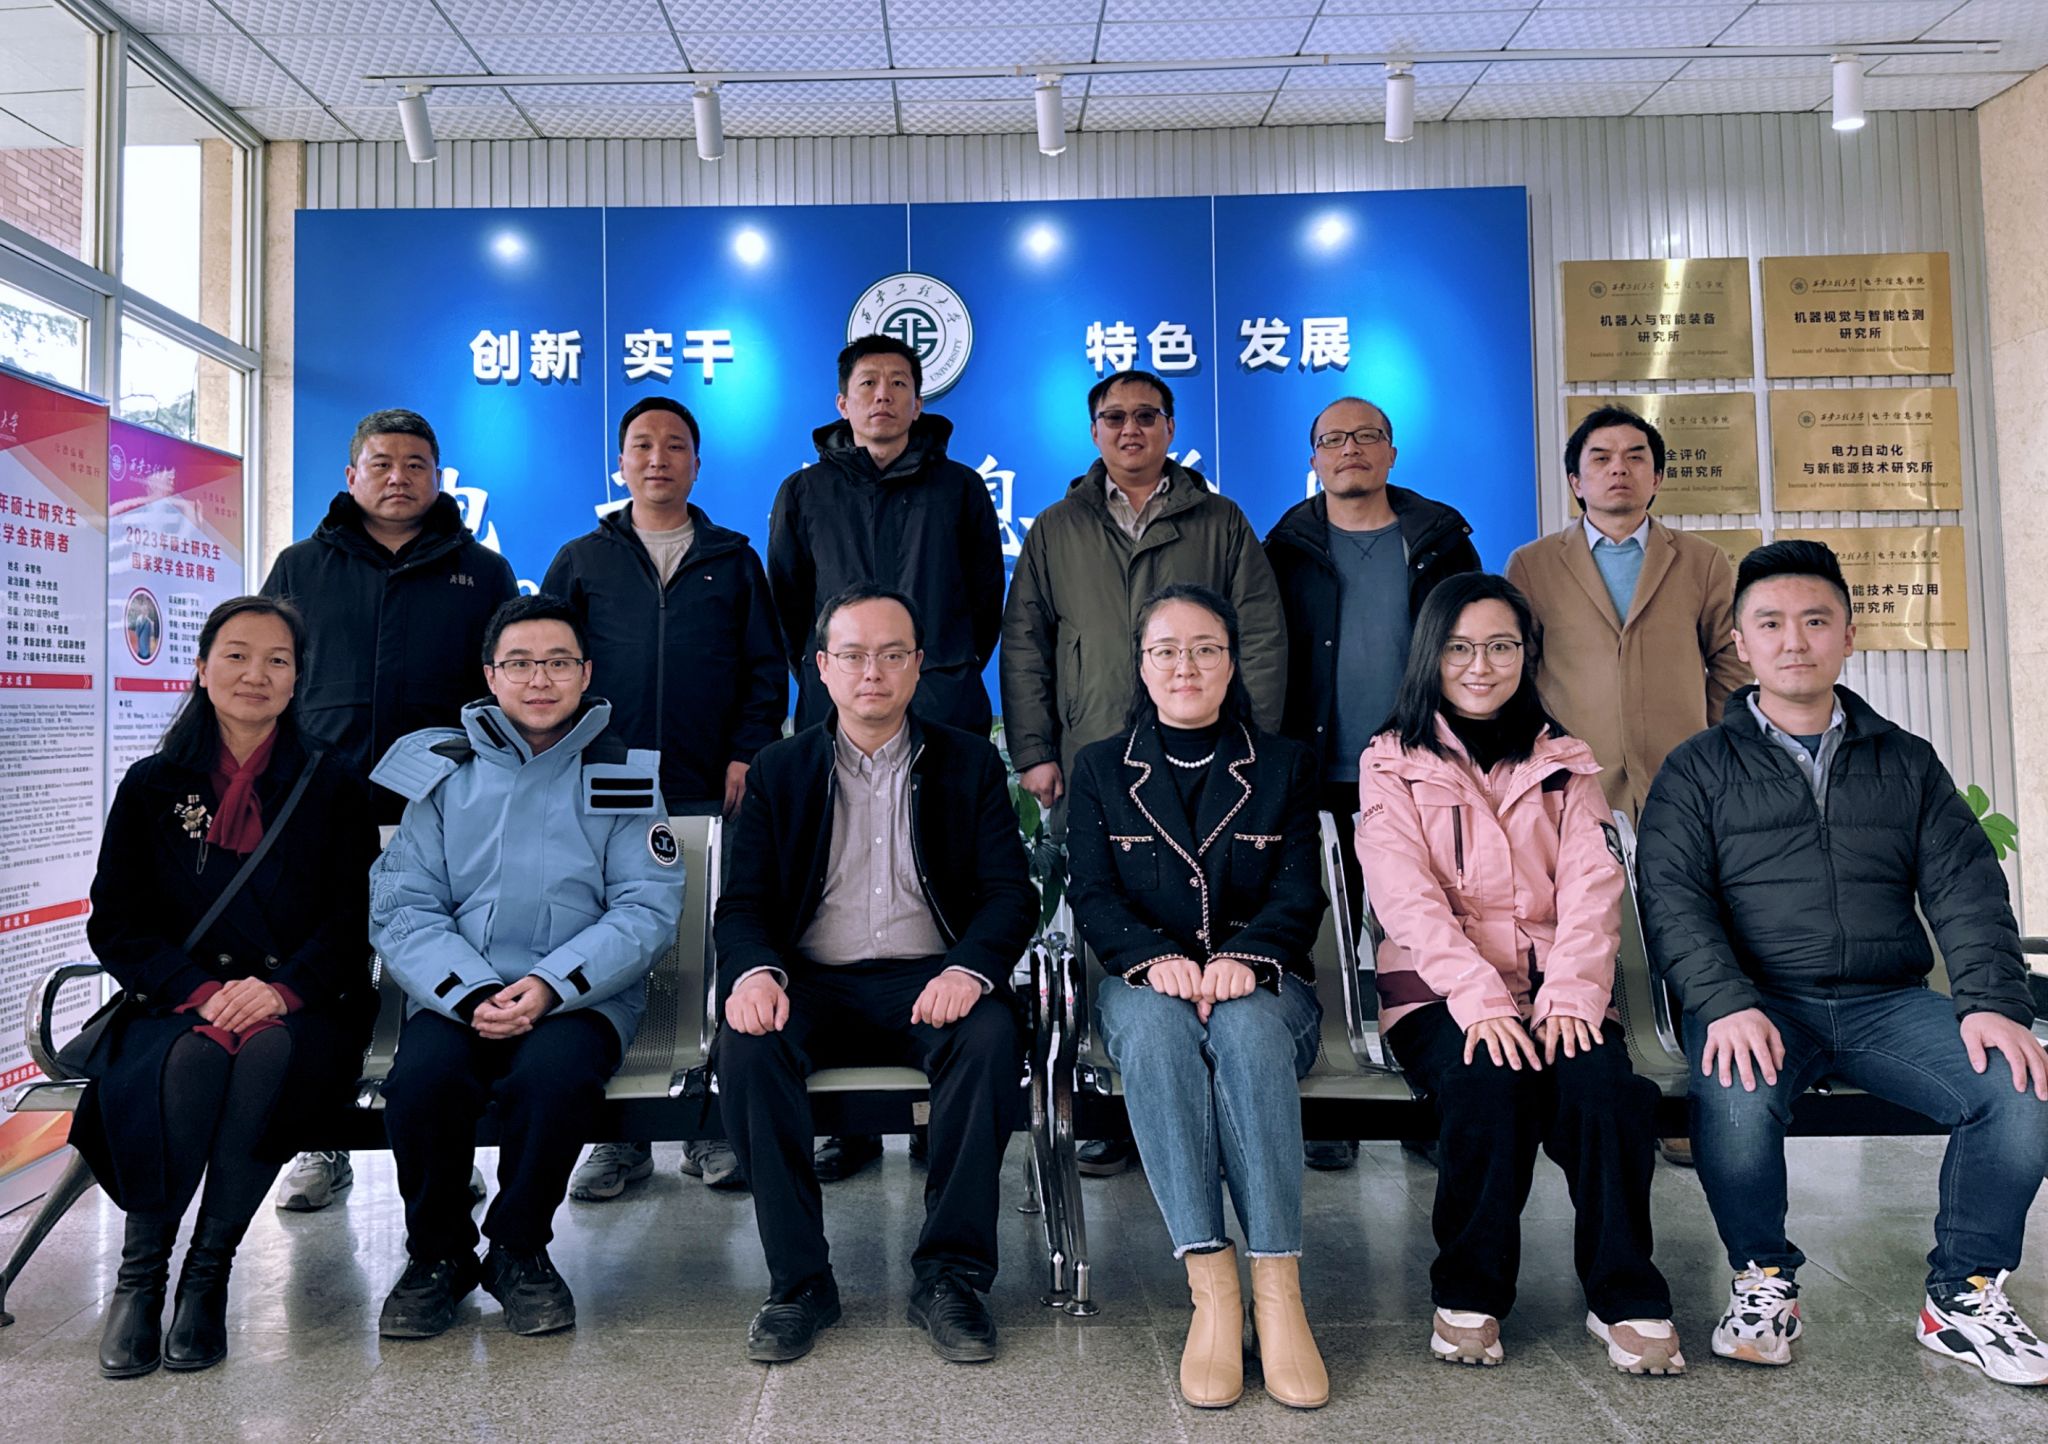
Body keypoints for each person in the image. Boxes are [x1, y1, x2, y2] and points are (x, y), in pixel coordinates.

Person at [1637, 540, 2048, 1386]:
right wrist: (1724, 1002)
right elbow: (1672, 899)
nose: (1795, 640)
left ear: (1849, 636)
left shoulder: (1906, 762)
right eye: (1771, 623)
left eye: (1816, 621)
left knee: (2019, 1085)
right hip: (1760, 1002)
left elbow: (1967, 889)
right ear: (1741, 643)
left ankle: (1963, 1296)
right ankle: (1763, 1279)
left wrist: (1990, 1002)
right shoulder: (1697, 769)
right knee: (1735, 1096)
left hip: (1886, 1003)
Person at [1357, 572, 1683, 1376]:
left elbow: (1593, 890)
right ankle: (1469, 1291)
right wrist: (1481, 1002)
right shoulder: (1391, 762)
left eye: (1501, 647)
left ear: (1525, 655)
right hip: (1439, 993)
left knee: (1604, 1092)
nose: (1481, 666)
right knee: (1488, 1081)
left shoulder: (1567, 763)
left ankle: (1623, 1293)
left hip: (1557, 989)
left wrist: (1570, 997)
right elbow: (1405, 899)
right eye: (1460, 648)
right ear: (1430, 656)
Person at [713, 586, 1037, 1365]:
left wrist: (970, 969)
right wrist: (755, 974)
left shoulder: (967, 762)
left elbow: (1009, 893)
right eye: (854, 655)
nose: (873, 672)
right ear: (821, 666)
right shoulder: (780, 770)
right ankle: (799, 1283)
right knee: (748, 1047)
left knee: (989, 1036)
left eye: (892, 655)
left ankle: (951, 1276)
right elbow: (743, 903)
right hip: (809, 981)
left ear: (918, 665)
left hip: (929, 978)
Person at [80, 596, 379, 1378]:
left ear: (297, 680)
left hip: (305, 1004)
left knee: (269, 1052)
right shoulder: (152, 785)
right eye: (237, 655)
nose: (256, 674)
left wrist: (281, 992)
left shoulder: (332, 784)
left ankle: (207, 1274)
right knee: (196, 1055)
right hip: (174, 1001)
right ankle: (141, 1279)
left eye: (277, 660)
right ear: (202, 668)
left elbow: (354, 922)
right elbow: (116, 922)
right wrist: (200, 992)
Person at [370, 595, 682, 1341]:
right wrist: (470, 991)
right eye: (519, 663)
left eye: (557, 663)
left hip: (582, 998)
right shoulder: (444, 779)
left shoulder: (621, 776)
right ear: (490, 675)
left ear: (586, 673)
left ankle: (518, 1250)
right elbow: (405, 906)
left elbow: (645, 909)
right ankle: (438, 1255)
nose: (539, 679)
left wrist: (548, 985)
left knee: (554, 1079)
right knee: (422, 1081)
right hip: (458, 995)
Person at [1002, 368, 1288, 1176]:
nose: (1131, 429)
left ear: (1170, 427)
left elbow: (1260, 635)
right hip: (1094, 754)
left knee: (1220, 904)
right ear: (1094, 430)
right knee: (1109, 921)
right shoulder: (1057, 526)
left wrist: (1258, 747)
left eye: (1147, 415)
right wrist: (1035, 750)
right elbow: (1025, 641)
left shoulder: (1220, 521)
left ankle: (1234, 1091)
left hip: (1213, 756)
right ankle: (1117, 1102)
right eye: (1115, 417)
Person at [1065, 583, 1330, 1410]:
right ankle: (1213, 1289)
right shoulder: (1101, 768)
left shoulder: (1282, 764)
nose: (1186, 666)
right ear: (1142, 666)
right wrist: (1152, 960)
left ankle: (1279, 1292)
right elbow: (1092, 893)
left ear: (1231, 661)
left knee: (1248, 1034)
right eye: (1167, 651)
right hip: (1146, 985)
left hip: (1268, 986)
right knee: (1154, 1033)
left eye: (1205, 649)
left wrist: (1247, 957)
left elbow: (1300, 891)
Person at [260, 406, 517, 1212]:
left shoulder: (482, 572)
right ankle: (323, 1142)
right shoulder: (301, 566)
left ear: (438, 477)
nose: (398, 478)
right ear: (352, 476)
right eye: (381, 464)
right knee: (327, 972)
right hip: (322, 808)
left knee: (439, 978)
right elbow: (270, 675)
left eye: (414, 465)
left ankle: (446, 1138)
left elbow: (503, 693)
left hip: (445, 811)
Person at [766, 334, 1005, 1182]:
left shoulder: (960, 488)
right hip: (834, 714)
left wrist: (938, 672)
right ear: (842, 401)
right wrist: (837, 679)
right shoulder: (804, 492)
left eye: (898, 384)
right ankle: (852, 1129)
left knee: (946, 888)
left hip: (941, 706)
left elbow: (985, 599)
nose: (882, 397)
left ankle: (946, 1106)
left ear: (918, 398)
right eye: (867, 384)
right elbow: (789, 601)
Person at [545, 396, 785, 1200]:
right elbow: (551, 668)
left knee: (709, 953)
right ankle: (619, 1139)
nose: (658, 459)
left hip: (708, 781)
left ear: (696, 463)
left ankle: (710, 1124)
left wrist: (749, 751)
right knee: (613, 948)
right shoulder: (583, 559)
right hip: (605, 787)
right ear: (620, 463)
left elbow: (765, 669)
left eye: (674, 446)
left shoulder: (733, 560)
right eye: (642, 445)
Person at [1265, 394, 1481, 1172]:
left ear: (1391, 452)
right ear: (1314, 459)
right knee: (1316, 940)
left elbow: (1474, 650)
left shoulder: (1441, 543)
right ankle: (1328, 1106)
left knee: (1423, 937)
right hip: (1314, 773)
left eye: (1365, 436)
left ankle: (1432, 1095)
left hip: (1421, 772)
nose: (1349, 448)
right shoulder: (1284, 548)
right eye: (1332, 439)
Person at [1504, 404, 1746, 822]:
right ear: (1576, 482)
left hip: (1682, 773)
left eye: (1635, 457)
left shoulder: (1702, 560)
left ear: (1656, 478)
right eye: (1601, 459)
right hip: (1573, 777)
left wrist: (1711, 736)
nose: (1619, 468)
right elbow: (1519, 667)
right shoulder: (1532, 564)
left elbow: (1730, 657)